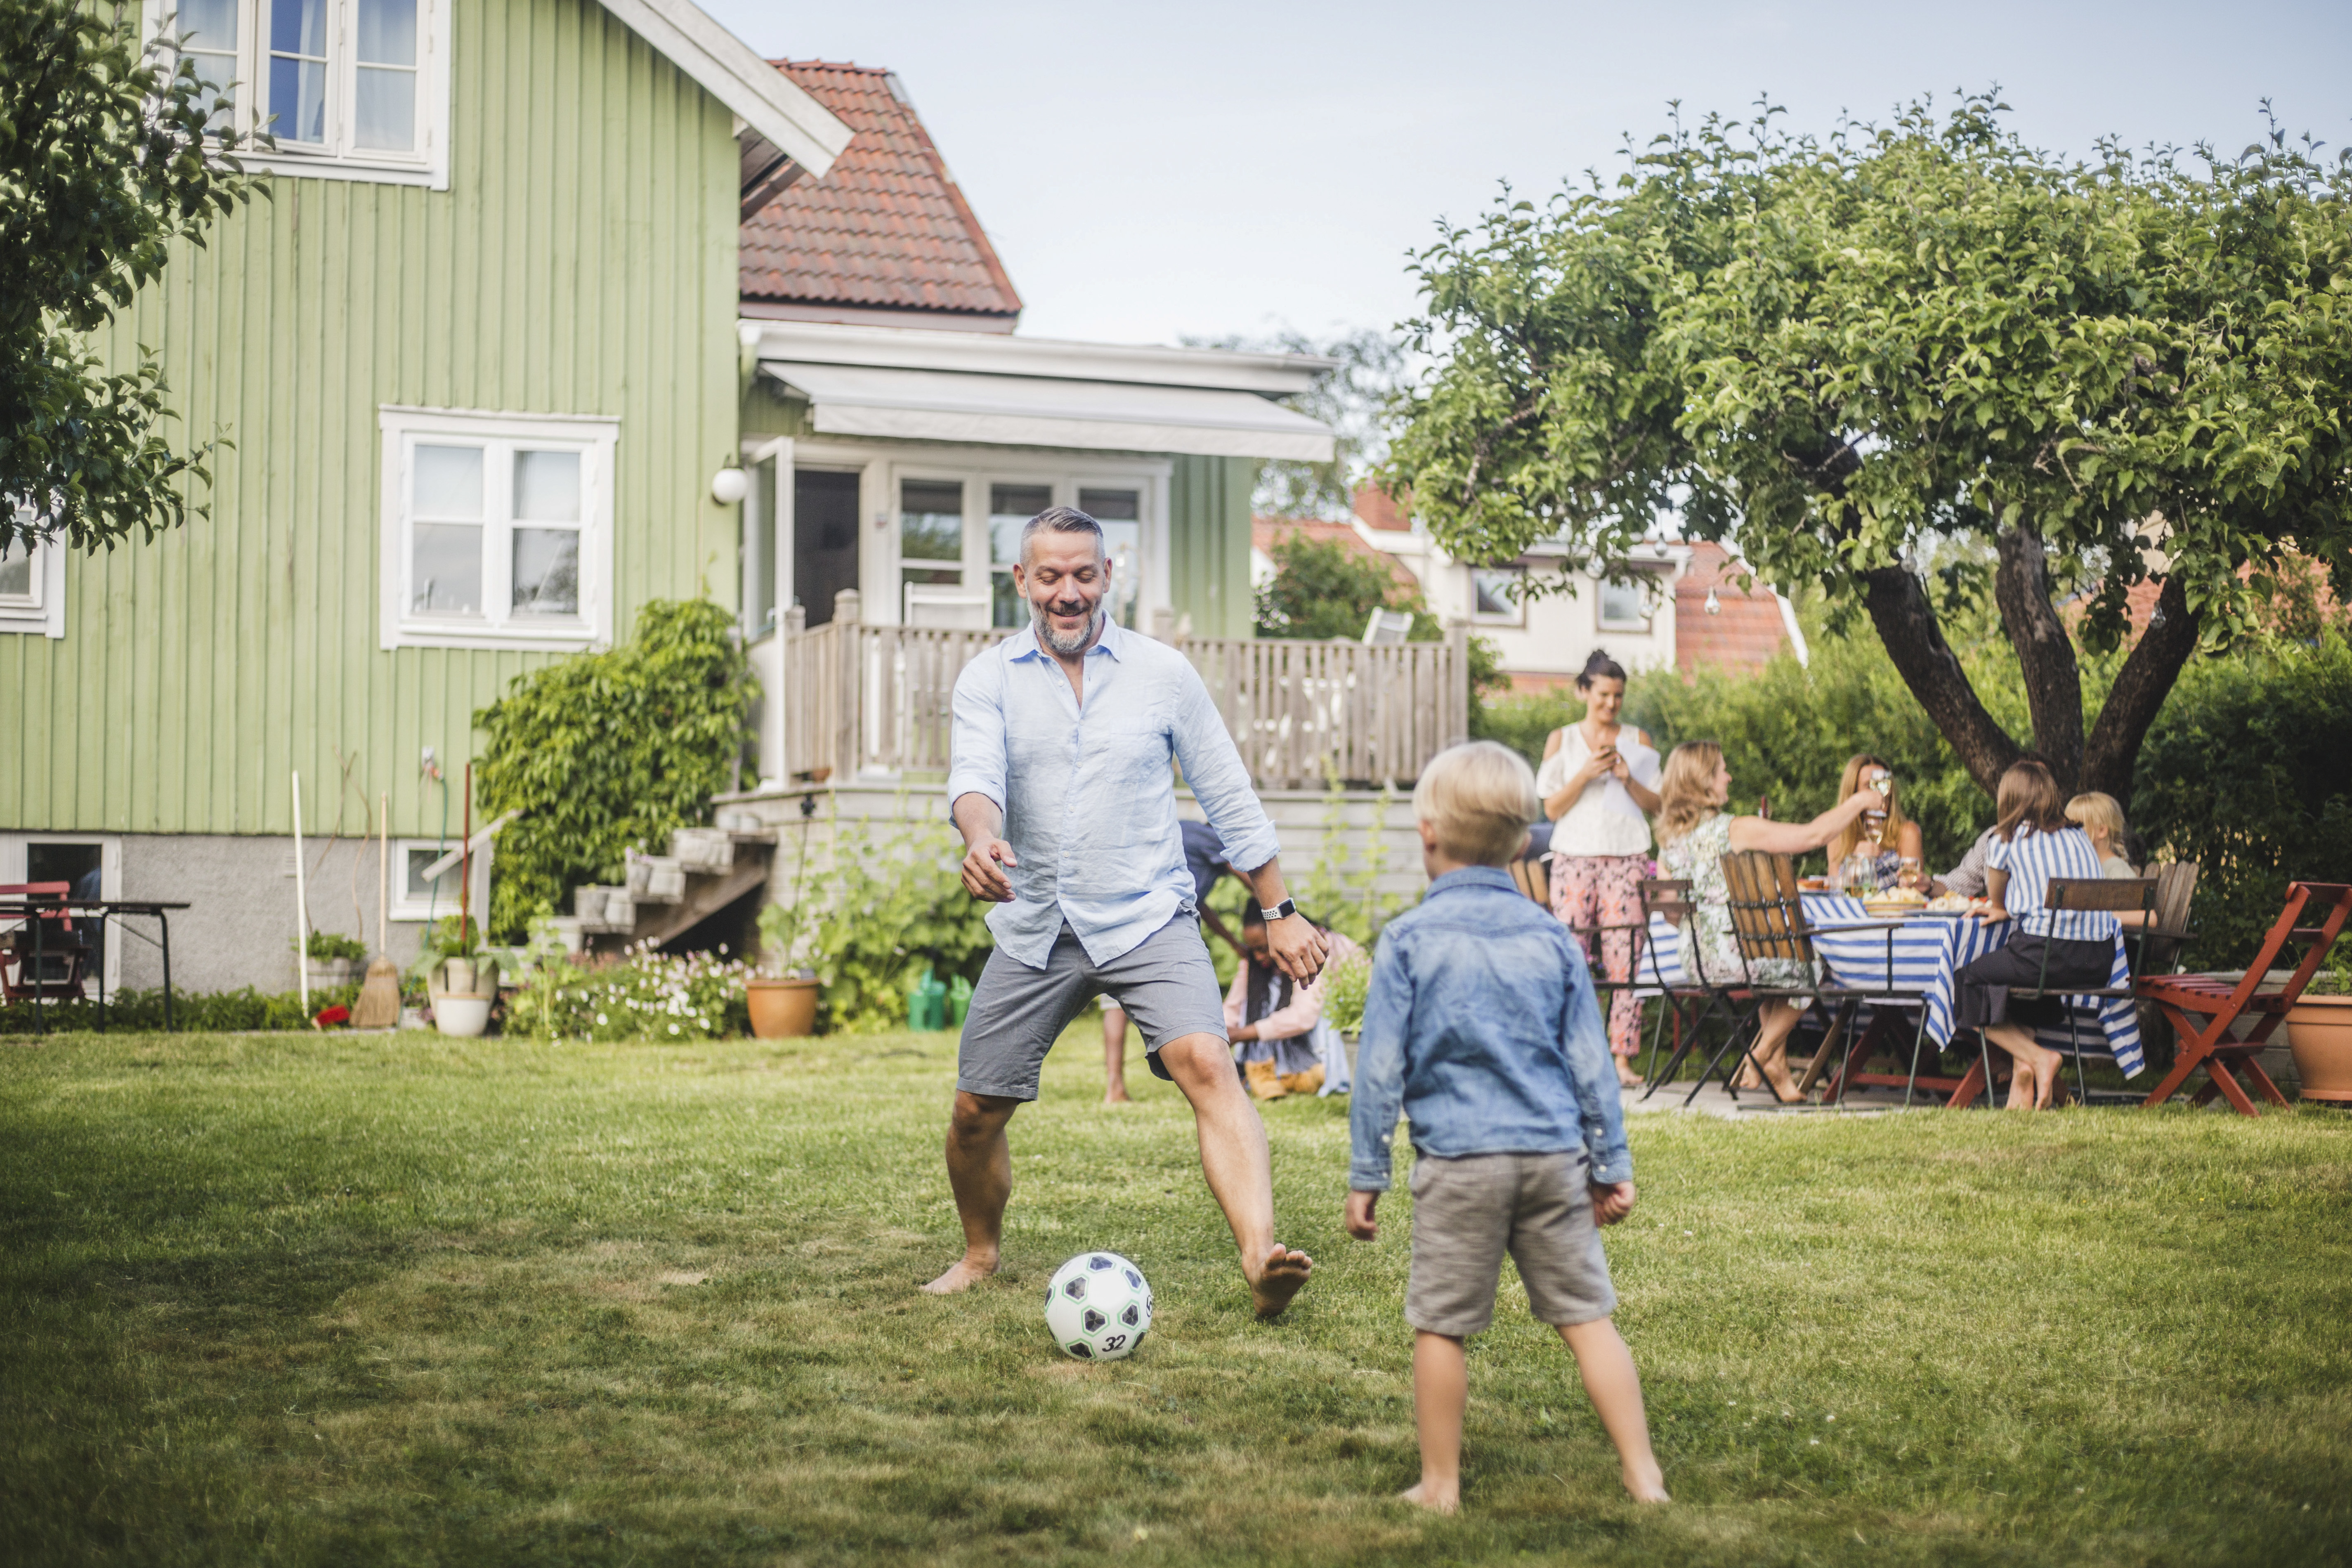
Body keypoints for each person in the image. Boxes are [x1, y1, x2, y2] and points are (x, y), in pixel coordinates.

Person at [933, 505, 1328, 1318]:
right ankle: (979, 1252)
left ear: (1109, 576)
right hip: (1038, 916)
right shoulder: (990, 678)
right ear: (1022, 582)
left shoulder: (1162, 674)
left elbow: (1229, 794)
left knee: (1210, 1064)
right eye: (1050, 576)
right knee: (977, 1110)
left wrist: (1279, 908)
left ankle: (1262, 1257)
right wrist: (981, 838)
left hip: (1148, 913)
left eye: (1084, 574)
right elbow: (975, 781)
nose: (1068, 592)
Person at [1345, 741, 1666, 1514]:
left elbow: (1379, 1072)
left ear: (1427, 834)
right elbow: (1592, 1066)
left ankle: (1441, 1486)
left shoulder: (1410, 941)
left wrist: (1367, 1176)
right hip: (1553, 1160)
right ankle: (1644, 1475)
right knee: (1589, 1319)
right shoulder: (1553, 938)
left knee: (1441, 1326)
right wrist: (1610, 1163)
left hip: (1459, 1165)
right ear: (1526, 841)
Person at [1652, 742, 1878, 1103]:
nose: (1728, 776)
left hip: (1693, 959)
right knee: (1809, 968)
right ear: (1704, 782)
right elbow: (1813, 836)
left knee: (1778, 968)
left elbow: (1669, 909)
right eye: (1721, 770)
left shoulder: (1670, 841)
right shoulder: (1733, 829)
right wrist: (1859, 802)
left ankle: (1779, 1070)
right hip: (1734, 953)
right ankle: (1758, 1057)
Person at [1957, 761, 2128, 1110]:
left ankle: (2037, 1057)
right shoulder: (2078, 835)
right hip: (2099, 960)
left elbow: (1996, 896)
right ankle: (2024, 1080)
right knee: (2019, 987)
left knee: (1965, 981)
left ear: (2008, 799)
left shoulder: (2006, 839)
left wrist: (2001, 907)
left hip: (2048, 955)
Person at [1535, 649, 1662, 1088]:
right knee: (1569, 958)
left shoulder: (1638, 739)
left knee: (1626, 957)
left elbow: (1659, 805)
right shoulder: (1562, 740)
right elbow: (1552, 807)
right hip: (1573, 856)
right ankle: (1568, 1056)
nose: (1611, 704)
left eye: (1619, 696)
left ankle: (1622, 1059)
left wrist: (1627, 778)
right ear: (1583, 690)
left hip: (1627, 857)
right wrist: (1586, 774)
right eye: (1604, 694)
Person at [1103, 819, 1240, 1104]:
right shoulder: (1211, 838)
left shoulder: (1184, 833)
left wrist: (1235, 945)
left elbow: (1200, 904)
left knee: (1114, 1000)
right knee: (1186, 1007)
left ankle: (1114, 1086)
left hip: (1119, 914)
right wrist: (1277, 910)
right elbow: (1245, 870)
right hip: (1158, 926)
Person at [1226, 905, 1360, 1100]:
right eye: (1252, 950)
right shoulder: (1254, 962)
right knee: (1257, 997)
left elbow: (1304, 1016)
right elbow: (1233, 1007)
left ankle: (1310, 1072)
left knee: (1323, 1008)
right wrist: (1220, 1036)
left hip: (1338, 1030)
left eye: (1263, 949)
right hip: (1297, 1028)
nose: (1258, 957)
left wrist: (1242, 1034)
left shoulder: (1314, 945)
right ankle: (1270, 1070)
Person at [1823, 753, 1926, 891]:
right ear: (1853, 792)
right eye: (1869, 785)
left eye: (1884, 783)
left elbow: (1912, 893)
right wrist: (1857, 863)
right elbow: (1834, 891)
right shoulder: (1838, 834)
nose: (1879, 791)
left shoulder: (1908, 833)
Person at [2065, 791, 2139, 879]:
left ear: (2102, 831)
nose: (2068, 832)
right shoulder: (2090, 868)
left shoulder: (2118, 871)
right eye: (2067, 827)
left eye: (2077, 827)